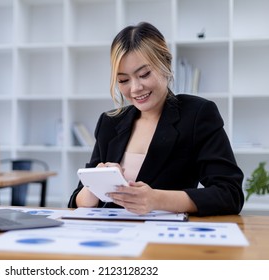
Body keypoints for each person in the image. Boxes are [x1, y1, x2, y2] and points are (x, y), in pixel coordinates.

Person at [68, 22, 244, 216]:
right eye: (123, 80)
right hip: (114, 237)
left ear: (165, 64)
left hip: (166, 238)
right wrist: (96, 184)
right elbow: (77, 200)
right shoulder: (110, 123)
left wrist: (156, 200)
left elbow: (230, 193)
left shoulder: (197, 114)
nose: (135, 88)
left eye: (144, 74)